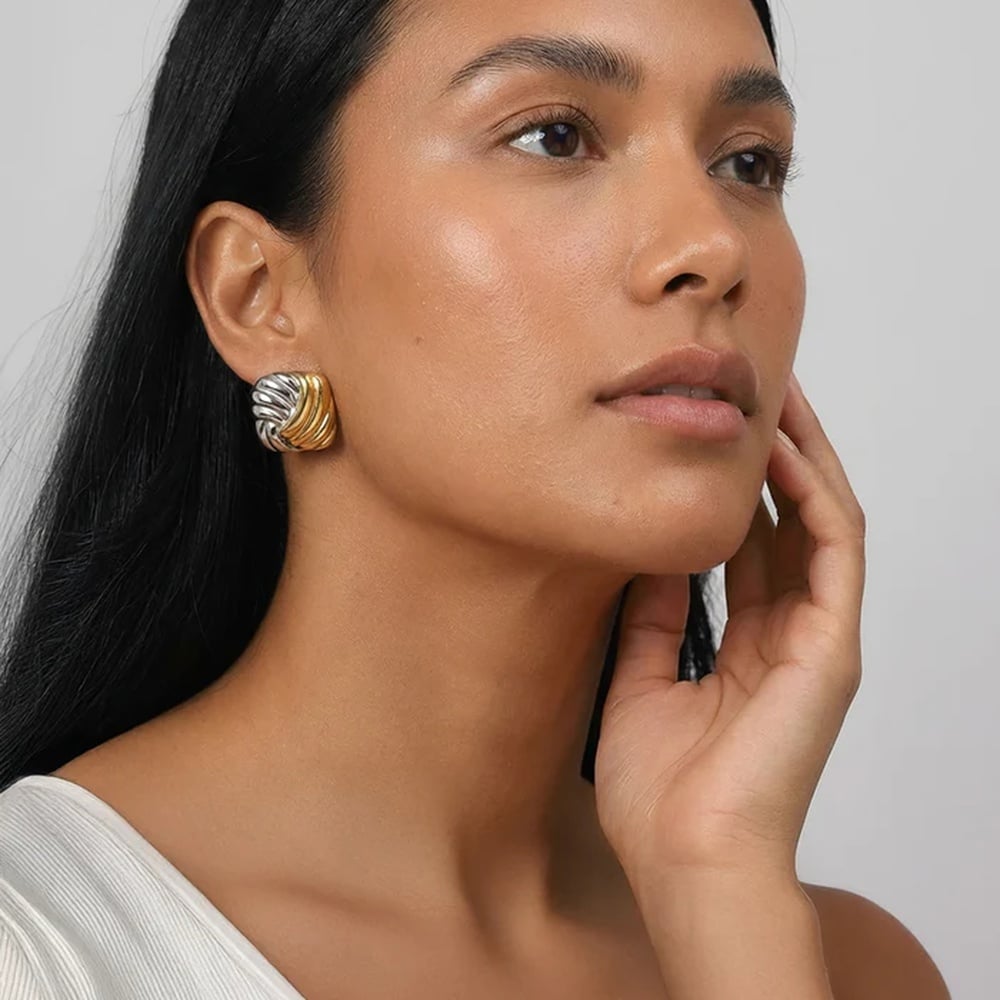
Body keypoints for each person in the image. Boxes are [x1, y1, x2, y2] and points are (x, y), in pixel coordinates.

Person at [0, 0, 952, 997]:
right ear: (260, 295)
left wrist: (721, 889)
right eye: (555, 137)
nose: (714, 247)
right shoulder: (39, 944)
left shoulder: (847, 970)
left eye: (748, 163)